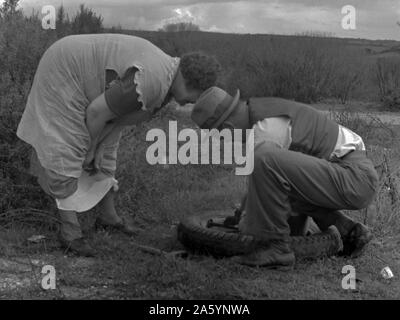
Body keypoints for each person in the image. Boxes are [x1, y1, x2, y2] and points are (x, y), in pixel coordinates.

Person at [17, 34, 221, 257]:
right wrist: (91, 148)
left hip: (84, 77)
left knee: (106, 152)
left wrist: (100, 149)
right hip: (64, 69)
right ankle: (70, 232)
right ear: (190, 81)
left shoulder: (167, 81)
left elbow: (115, 120)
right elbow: (95, 113)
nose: (194, 102)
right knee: (69, 146)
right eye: (196, 95)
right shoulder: (151, 80)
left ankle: (108, 218)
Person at [191, 87, 379, 268]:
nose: (225, 140)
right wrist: (241, 214)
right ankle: (349, 231)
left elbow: (263, 174)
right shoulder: (265, 112)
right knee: (279, 192)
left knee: (263, 160)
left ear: (227, 127)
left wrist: (248, 221)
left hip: (355, 178)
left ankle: (276, 249)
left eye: (220, 136)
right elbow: (269, 186)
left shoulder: (265, 130)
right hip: (349, 174)